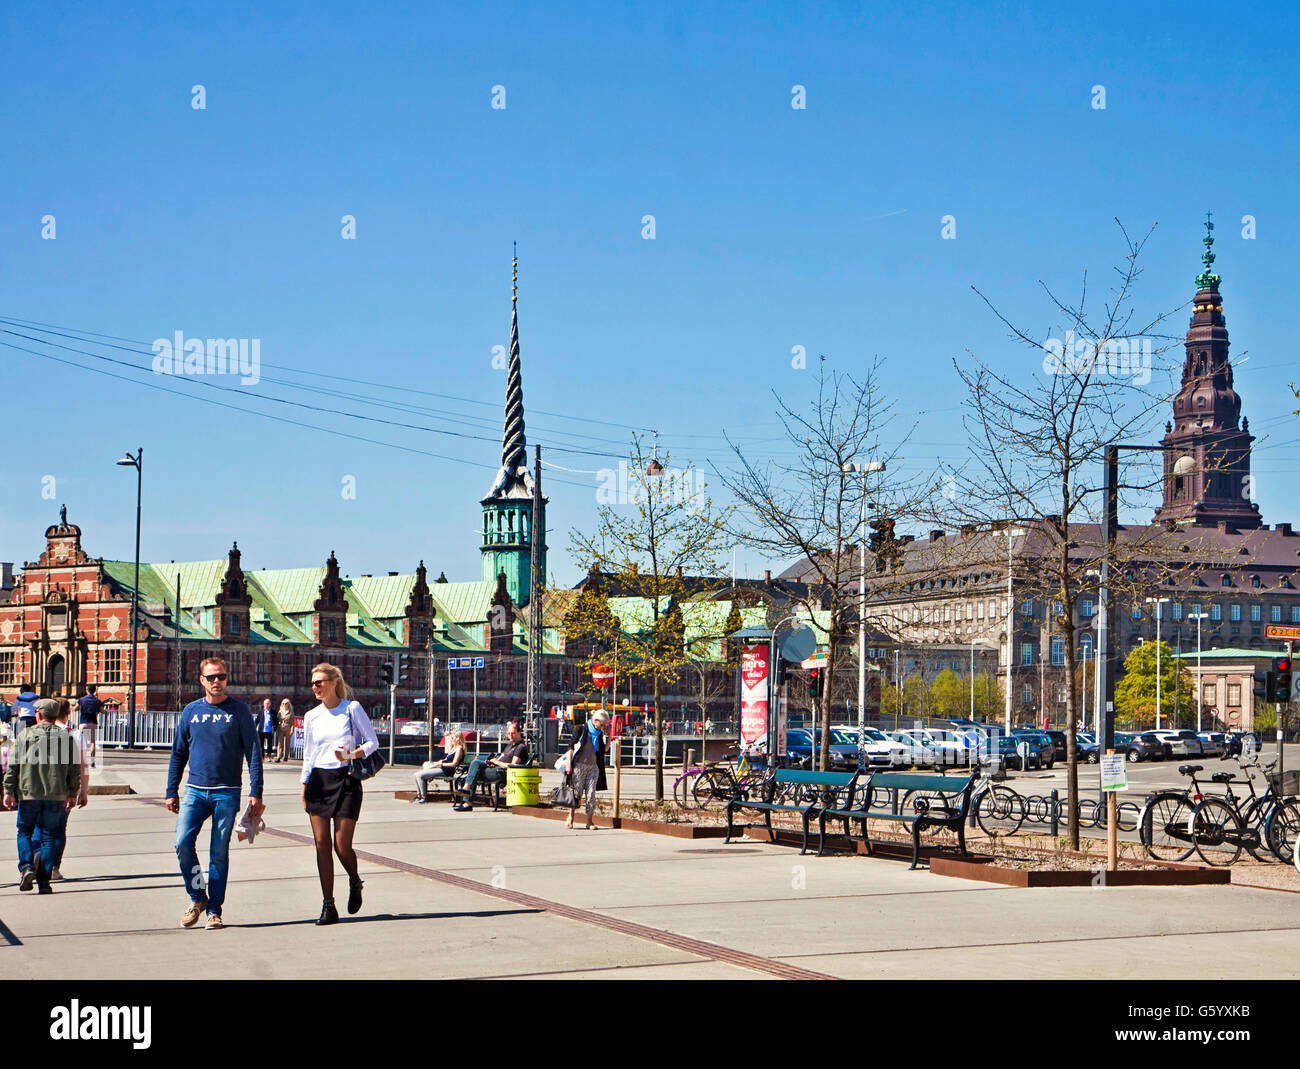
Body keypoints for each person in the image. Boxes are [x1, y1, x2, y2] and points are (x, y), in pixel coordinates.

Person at [165, 656, 263, 931]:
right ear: (202, 681)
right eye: (211, 677)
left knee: (218, 852)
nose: (216, 682)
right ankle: (198, 897)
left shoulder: (240, 711)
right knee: (182, 843)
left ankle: (214, 910)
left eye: (221, 676)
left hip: (227, 792)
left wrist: (256, 791)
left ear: (226, 679)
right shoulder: (191, 712)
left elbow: (253, 753)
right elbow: (178, 754)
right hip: (195, 790)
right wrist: (171, 790)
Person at [300, 662, 379, 925]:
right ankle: (328, 905)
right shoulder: (311, 716)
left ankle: (355, 881)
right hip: (318, 781)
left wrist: (352, 754)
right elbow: (308, 753)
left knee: (341, 845)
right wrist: (304, 784)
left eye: (320, 682)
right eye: (313, 683)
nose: (315, 687)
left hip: (346, 780)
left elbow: (372, 742)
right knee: (321, 843)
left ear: (334, 682)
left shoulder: (351, 709)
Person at [3, 698, 81, 894]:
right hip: (56, 794)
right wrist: (73, 793)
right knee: (50, 836)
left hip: (29, 792)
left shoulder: (25, 735)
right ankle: (44, 881)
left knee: (24, 831)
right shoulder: (66, 738)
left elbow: (13, 766)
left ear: (38, 715)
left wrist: (8, 790)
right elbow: (74, 769)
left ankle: (27, 866)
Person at [48, 698, 89, 880]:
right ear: (68, 713)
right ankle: (54, 867)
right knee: (59, 829)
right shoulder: (75, 734)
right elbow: (83, 766)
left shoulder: (40, 732)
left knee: (39, 827)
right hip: (66, 789)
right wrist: (84, 791)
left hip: (42, 788)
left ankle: (36, 860)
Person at [453, 720, 529, 812]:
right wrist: (492, 762)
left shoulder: (520, 747)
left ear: (519, 732)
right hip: (495, 768)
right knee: (475, 768)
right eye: (508, 733)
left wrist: (496, 762)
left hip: (502, 773)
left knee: (474, 768)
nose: (510, 735)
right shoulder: (510, 745)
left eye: (513, 733)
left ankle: (467, 796)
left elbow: (513, 765)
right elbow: (501, 758)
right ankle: (466, 799)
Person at [563, 710, 609, 830]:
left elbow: (603, 750)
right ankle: (570, 817)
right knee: (576, 793)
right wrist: (569, 764)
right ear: (595, 721)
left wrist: (609, 738)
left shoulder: (599, 734)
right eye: (602, 724)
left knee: (591, 794)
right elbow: (571, 746)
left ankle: (589, 821)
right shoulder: (581, 729)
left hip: (593, 767)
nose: (603, 726)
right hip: (579, 765)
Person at [412, 730, 465, 804]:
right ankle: (419, 795)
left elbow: (454, 764)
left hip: (446, 771)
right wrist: (436, 763)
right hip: (442, 768)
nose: (451, 740)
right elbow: (446, 760)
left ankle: (423, 797)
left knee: (419, 775)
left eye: (452, 738)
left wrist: (441, 764)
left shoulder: (459, 749)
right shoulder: (453, 748)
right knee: (416, 774)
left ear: (458, 739)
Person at [77, 684, 102, 768]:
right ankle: (92, 762)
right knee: (92, 742)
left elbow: (75, 708)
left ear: (87, 690)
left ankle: (80, 760)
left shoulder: (81, 700)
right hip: (93, 723)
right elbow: (102, 711)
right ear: (94, 690)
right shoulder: (97, 700)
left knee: (81, 742)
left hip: (83, 722)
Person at [275, 698, 295, 762]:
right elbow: (277, 720)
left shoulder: (291, 712)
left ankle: (286, 756)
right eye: (283, 703)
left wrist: (292, 730)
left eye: (286, 703)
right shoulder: (280, 711)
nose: (284, 704)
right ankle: (279, 756)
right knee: (280, 743)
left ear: (288, 704)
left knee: (287, 742)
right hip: (280, 728)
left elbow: (292, 722)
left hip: (288, 728)